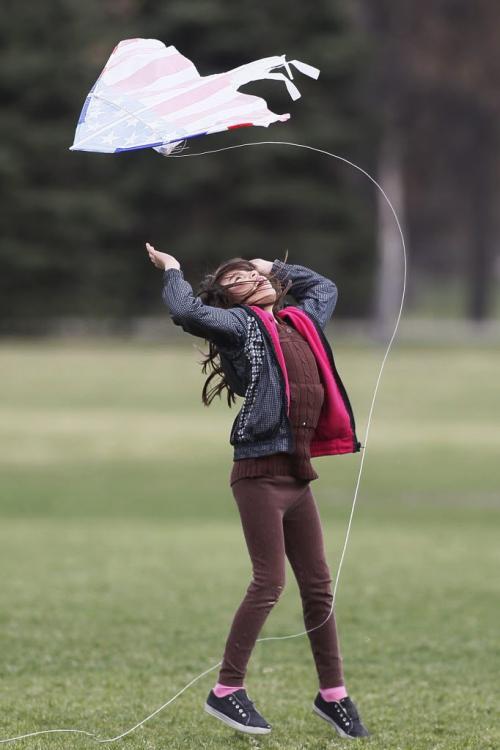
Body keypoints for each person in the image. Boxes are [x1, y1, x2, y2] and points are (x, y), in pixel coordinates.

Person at [146, 242, 369, 739]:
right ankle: (226, 690)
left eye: (255, 274)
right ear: (231, 301)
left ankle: (333, 695)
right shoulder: (239, 327)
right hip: (258, 473)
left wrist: (273, 265)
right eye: (240, 280)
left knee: (318, 586)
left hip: (296, 472)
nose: (255, 280)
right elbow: (184, 309)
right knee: (269, 583)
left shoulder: (299, 321)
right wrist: (174, 270)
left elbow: (325, 287)